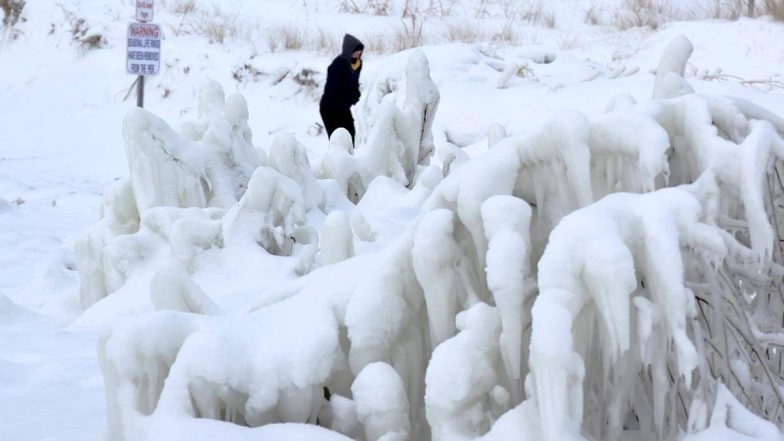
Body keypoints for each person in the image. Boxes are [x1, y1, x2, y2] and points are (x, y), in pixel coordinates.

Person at [320, 34, 364, 146]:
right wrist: (350, 97)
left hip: (343, 107)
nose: (357, 56)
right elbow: (333, 91)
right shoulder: (336, 67)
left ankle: (350, 156)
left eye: (359, 54)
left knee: (350, 135)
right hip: (330, 108)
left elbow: (353, 84)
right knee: (338, 141)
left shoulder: (357, 64)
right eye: (355, 53)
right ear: (348, 51)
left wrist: (356, 93)